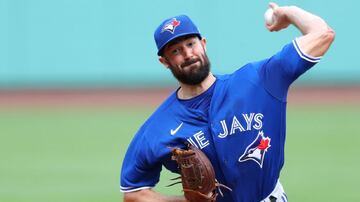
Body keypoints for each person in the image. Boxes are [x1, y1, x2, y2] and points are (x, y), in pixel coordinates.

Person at [120, 2, 335, 202]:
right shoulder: (158, 127)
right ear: (164, 62)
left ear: (203, 44)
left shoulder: (257, 80)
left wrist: (288, 12)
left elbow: (322, 34)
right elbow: (132, 191)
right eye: (175, 51)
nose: (187, 54)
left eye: (190, 44)